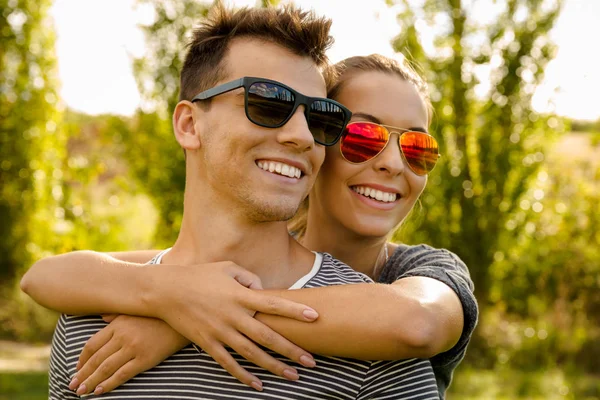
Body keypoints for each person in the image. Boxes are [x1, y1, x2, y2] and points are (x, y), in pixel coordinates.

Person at [27, 4, 446, 400]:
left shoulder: (375, 343)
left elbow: (418, 322)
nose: (301, 135)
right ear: (190, 124)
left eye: (319, 118)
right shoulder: (89, 323)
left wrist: (215, 310)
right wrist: (169, 295)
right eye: (267, 103)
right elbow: (47, 276)